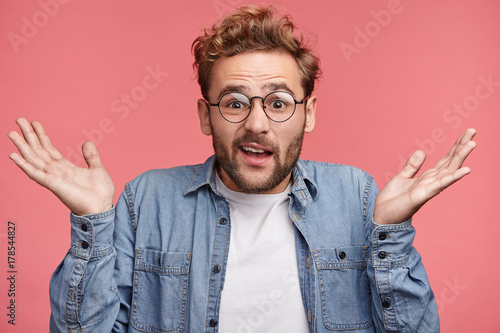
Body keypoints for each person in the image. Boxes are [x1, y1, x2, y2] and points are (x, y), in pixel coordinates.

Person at [8, 5, 476, 333]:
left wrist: (391, 234)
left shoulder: (355, 195)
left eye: (278, 102)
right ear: (205, 115)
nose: (256, 124)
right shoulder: (145, 200)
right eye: (234, 103)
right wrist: (92, 224)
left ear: (308, 114)